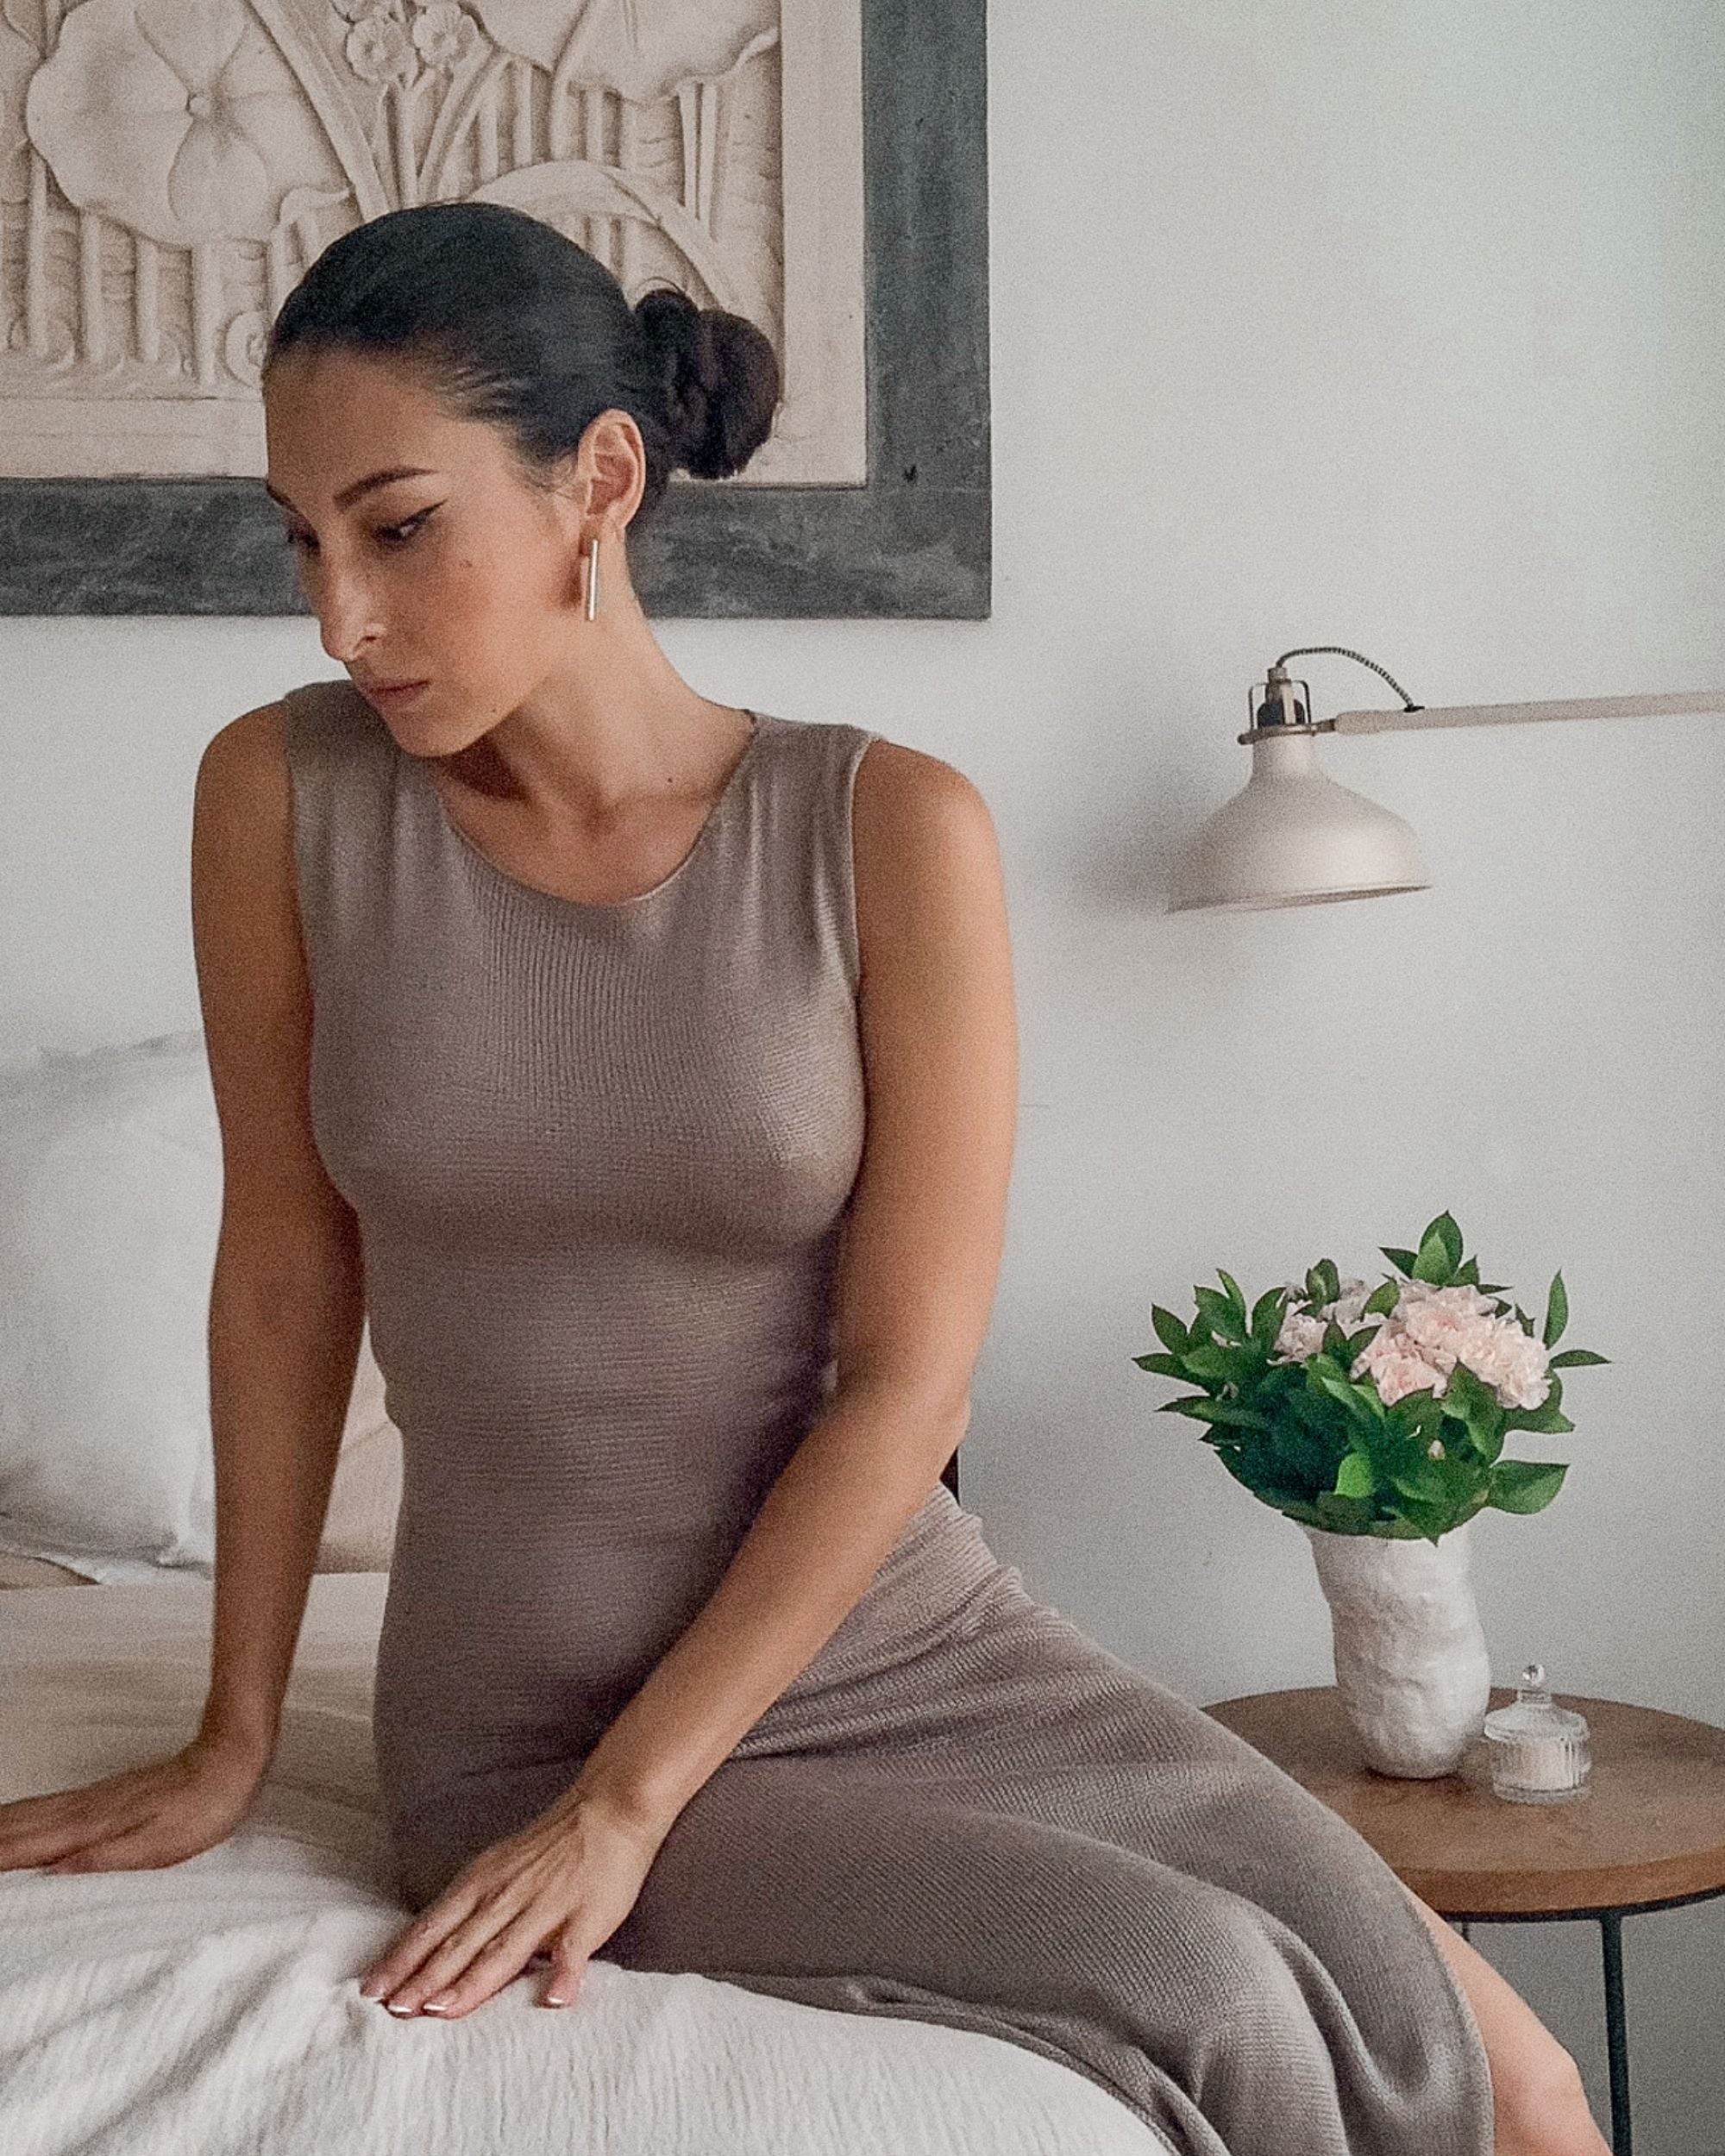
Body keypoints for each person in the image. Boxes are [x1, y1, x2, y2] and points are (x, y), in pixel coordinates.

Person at [0, 200, 1606, 2156]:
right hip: (529, 1716)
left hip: (921, 1643)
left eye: (398, 526)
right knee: (1214, 1992)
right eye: (302, 538)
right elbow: (280, 1269)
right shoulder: (281, 793)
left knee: (1517, 2074)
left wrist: (636, 1809)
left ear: (598, 480)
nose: (340, 612)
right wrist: (239, 1732)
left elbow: (901, 1385)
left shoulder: (888, 828)